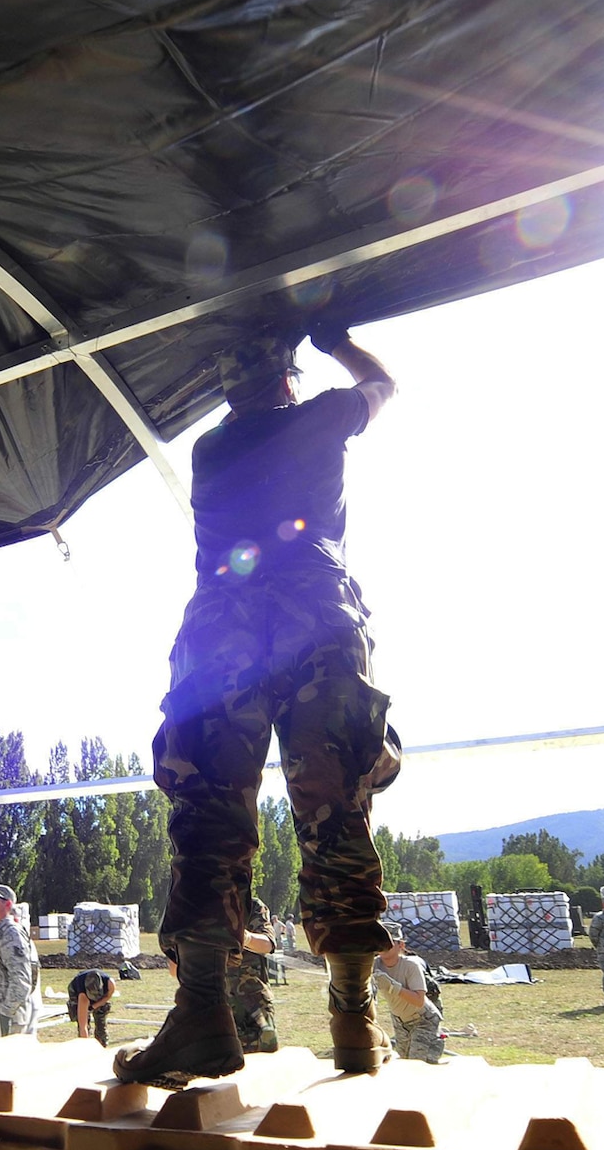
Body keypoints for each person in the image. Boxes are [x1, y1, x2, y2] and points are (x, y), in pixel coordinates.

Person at [115, 327, 401, 1086]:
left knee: (209, 810)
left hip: (223, 623)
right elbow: (384, 384)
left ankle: (203, 1012)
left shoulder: (210, 451)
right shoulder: (321, 415)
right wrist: (339, 341)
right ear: (286, 378)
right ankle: (352, 1017)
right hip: (315, 608)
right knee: (336, 809)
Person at [374, 919, 444, 1063]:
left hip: (423, 1020)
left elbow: (419, 1000)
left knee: (417, 1065)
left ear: (401, 945)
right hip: (400, 1022)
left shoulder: (411, 966)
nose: (384, 946)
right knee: (404, 1064)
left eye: (390, 942)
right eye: (381, 942)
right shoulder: (374, 964)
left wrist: (394, 987)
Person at [0, 885, 39, 1037]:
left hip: (8, 1018)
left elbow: (21, 979)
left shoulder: (11, 934)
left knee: (8, 1060)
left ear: (8, 904)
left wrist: (5, 1014)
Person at [225, 896, 280, 1052]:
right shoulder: (202, 908)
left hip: (255, 1004)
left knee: (263, 1063)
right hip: (218, 1005)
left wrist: (246, 937)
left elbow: (268, 944)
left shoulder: (251, 906)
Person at [67, 968, 117, 1045]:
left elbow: (107, 996)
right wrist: (85, 1044)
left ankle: (102, 1043)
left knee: (101, 1015)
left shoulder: (110, 983)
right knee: (81, 1018)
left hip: (100, 994)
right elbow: (82, 1025)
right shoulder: (82, 995)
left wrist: (94, 1006)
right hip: (75, 991)